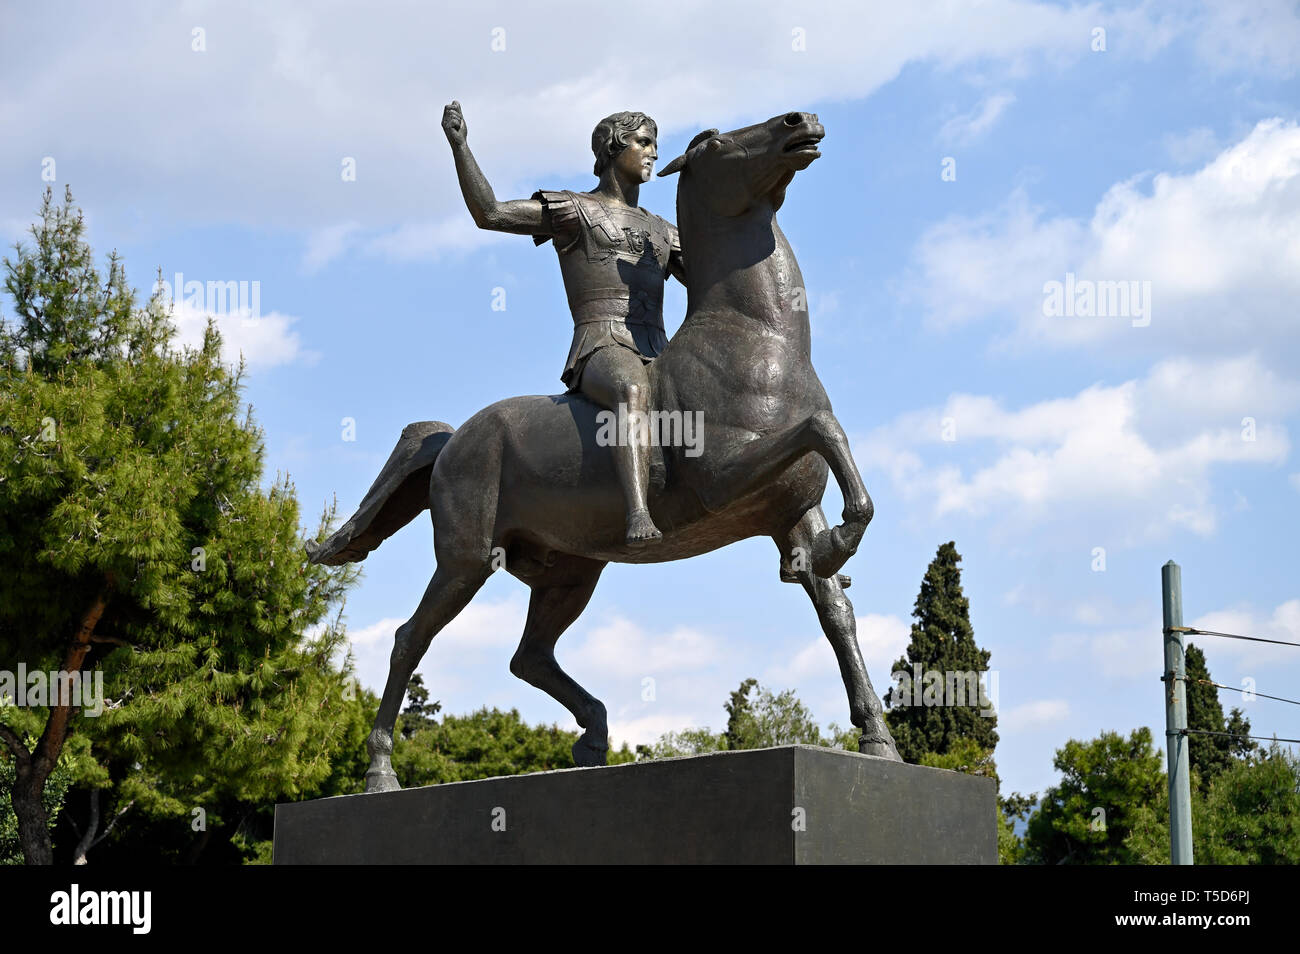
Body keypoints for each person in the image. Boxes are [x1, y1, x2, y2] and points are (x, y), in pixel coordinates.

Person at [443, 101, 685, 547]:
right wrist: (460, 146)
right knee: (629, 388)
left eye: (656, 144)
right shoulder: (575, 210)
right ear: (614, 148)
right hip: (602, 346)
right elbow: (490, 213)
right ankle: (637, 513)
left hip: (661, 349)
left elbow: (714, 282)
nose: (653, 152)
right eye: (644, 142)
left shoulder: (663, 232)